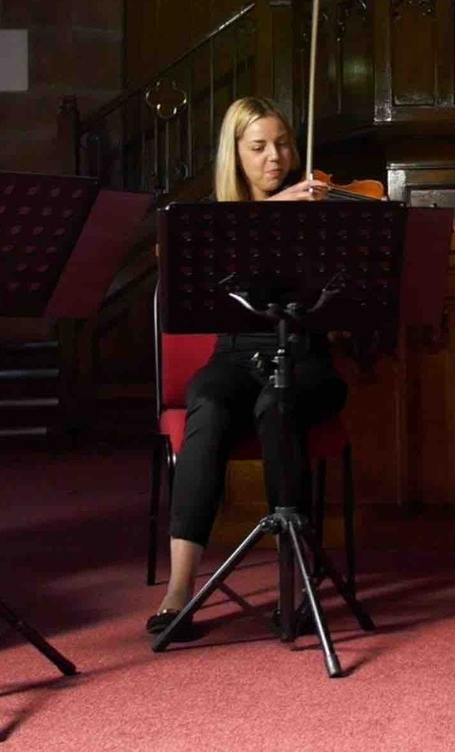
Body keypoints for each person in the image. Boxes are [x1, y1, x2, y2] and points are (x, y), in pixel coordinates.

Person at [145, 96, 346, 637]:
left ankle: (298, 581)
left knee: (277, 402)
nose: (274, 157)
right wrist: (278, 207)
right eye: (258, 147)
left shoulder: (319, 209)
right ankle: (179, 589)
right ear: (234, 153)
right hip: (235, 354)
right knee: (205, 405)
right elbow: (179, 260)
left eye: (282, 144)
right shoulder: (216, 220)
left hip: (306, 357)